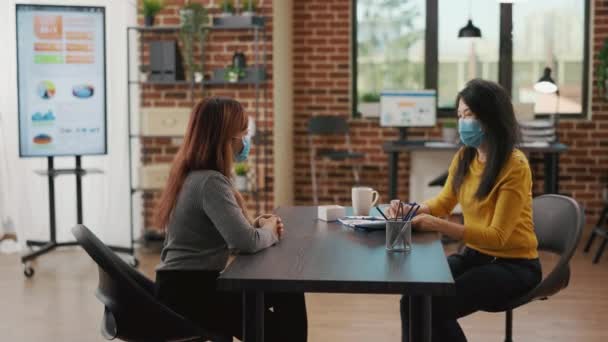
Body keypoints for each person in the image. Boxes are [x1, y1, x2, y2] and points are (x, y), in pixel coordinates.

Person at [389, 79, 542, 342]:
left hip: (515, 266)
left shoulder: (515, 166)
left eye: (469, 114)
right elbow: (443, 203)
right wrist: (411, 209)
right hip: (476, 256)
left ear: (491, 116)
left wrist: (437, 225)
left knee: (435, 307)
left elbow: (498, 237)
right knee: (412, 299)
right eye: (460, 115)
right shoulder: (465, 156)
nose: (463, 122)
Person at [154, 97, 307, 341]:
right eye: (243, 133)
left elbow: (227, 230)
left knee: (286, 290)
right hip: (192, 295)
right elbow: (243, 243)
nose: (246, 141)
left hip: (181, 287)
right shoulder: (210, 182)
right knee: (285, 303)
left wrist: (256, 225)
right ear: (226, 138)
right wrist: (269, 230)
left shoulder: (195, 174)